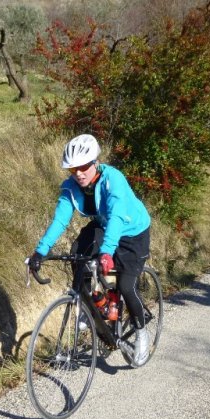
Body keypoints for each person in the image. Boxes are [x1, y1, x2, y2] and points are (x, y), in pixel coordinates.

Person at [28, 134, 153, 366]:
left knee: (126, 285)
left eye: (84, 167)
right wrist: (40, 252)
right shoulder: (71, 187)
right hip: (105, 225)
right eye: (73, 169)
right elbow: (60, 220)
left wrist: (106, 252)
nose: (79, 173)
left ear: (95, 162)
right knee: (78, 253)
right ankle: (91, 306)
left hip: (132, 231)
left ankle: (141, 332)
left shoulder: (113, 179)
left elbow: (117, 216)